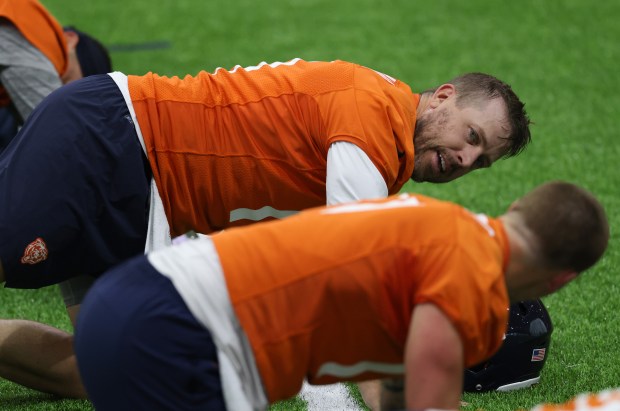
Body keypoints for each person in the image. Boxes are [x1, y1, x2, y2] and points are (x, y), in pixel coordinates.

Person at [0, 58, 530, 399]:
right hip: (114, 142)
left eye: (480, 159)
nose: (466, 157)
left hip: (146, 202)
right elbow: (356, 289)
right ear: (441, 96)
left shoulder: (382, 148)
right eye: (471, 134)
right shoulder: (371, 122)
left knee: (97, 367)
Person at [73, 181, 609, 411]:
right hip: (178, 335)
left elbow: (400, 385)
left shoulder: (437, 221)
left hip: (133, 296)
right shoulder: (471, 276)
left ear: (517, 205)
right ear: (563, 280)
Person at [0, 0, 112, 150]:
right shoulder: (41, 47)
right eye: (76, 83)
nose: (61, 88)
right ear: (70, 40)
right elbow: (64, 140)